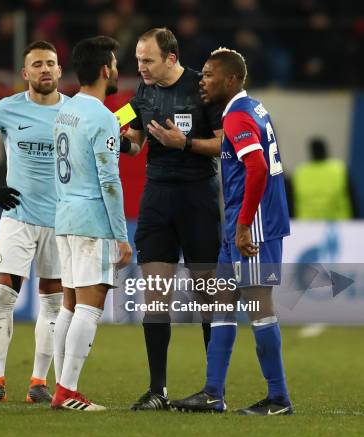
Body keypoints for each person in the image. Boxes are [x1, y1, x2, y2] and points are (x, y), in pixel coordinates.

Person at [172, 47, 293, 415]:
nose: (202, 80)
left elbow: (256, 168)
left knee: (260, 309)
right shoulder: (252, 108)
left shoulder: (239, 116)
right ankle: (213, 392)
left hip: (252, 228)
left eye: (209, 75)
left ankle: (278, 398)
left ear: (231, 79)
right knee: (223, 306)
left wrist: (243, 227)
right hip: (240, 227)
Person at [123, 27, 223, 411]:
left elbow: (223, 142)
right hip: (157, 198)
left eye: (147, 60)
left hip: (197, 197)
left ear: (170, 57)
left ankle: (214, 388)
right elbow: (133, 140)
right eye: (137, 60)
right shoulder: (143, 92)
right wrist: (119, 141)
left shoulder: (202, 87)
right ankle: (157, 390)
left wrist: (186, 145)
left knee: (206, 295)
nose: (141, 67)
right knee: (155, 295)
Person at [0, 40, 67, 404]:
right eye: (37, 64)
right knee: (3, 295)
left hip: (59, 221)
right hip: (17, 216)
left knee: (53, 304)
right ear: (25, 74)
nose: (45, 70)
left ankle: (39, 382)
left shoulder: (75, 112)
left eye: (51, 63)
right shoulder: (6, 109)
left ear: (59, 70)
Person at [51, 35, 132, 411]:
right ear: (105, 70)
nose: (117, 69)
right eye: (114, 64)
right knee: (90, 305)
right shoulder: (101, 116)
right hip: (91, 221)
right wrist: (121, 235)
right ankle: (67, 391)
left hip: (65, 216)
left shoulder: (65, 111)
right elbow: (110, 182)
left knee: (69, 304)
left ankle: (59, 386)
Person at [291, 138, 356, 219]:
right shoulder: (339, 169)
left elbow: (291, 201)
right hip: (339, 224)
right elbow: (352, 198)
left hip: (306, 224)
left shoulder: (300, 172)